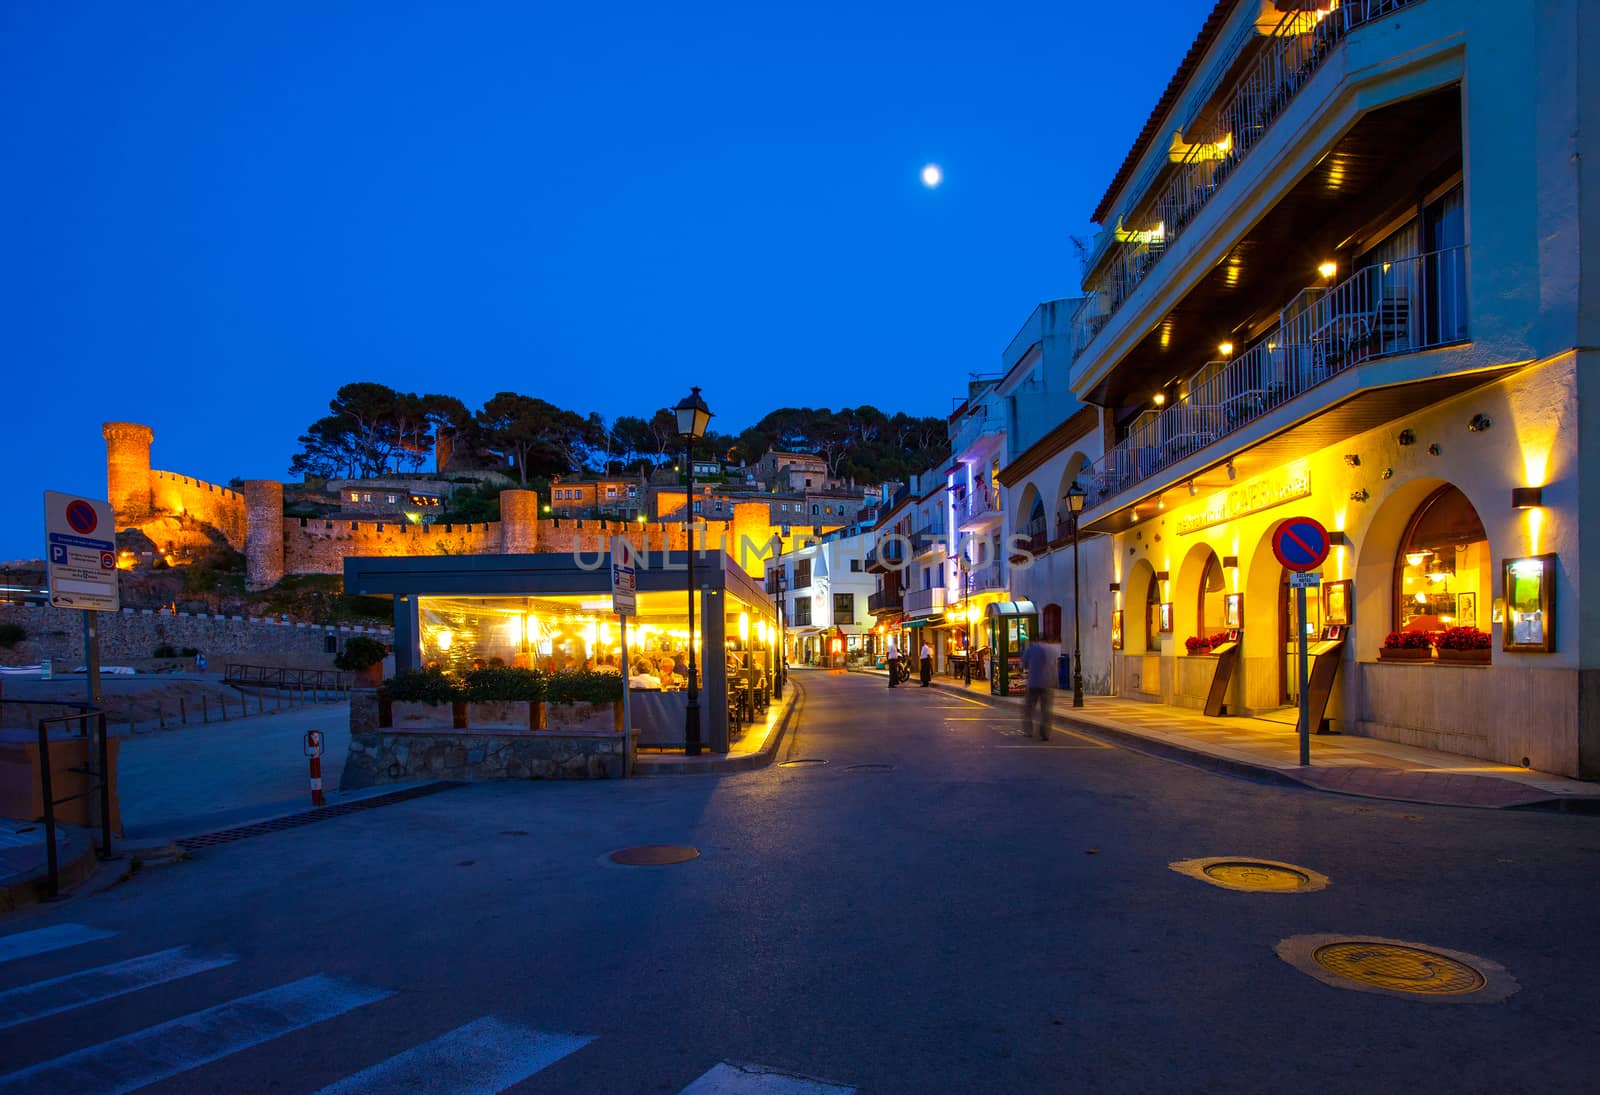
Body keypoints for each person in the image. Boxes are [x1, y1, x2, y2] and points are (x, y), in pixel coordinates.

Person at [1020, 638, 1060, 740]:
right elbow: (1056, 665)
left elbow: (1024, 664)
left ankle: (1028, 731)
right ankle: (1045, 732)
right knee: (1046, 709)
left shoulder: (1031, 649)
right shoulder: (1053, 650)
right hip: (1048, 683)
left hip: (1033, 682)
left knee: (1028, 708)